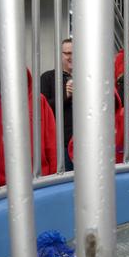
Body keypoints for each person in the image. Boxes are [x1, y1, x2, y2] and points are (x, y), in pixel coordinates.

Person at [40, 37, 73, 170]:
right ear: (59, 55)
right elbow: (43, 109)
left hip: (85, 143)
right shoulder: (47, 78)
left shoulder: (88, 77)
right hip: (61, 144)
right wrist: (65, 96)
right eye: (67, 53)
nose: (71, 57)